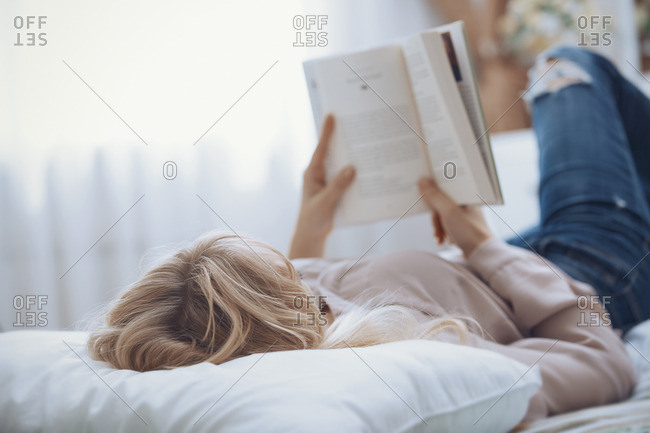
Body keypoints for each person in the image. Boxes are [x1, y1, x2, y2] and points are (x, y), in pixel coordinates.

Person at [88, 47, 649, 422]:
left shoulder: (285, 328)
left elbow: (293, 301)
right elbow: (600, 356)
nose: (294, 273)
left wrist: (313, 223)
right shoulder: (428, 354)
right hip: (591, 270)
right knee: (565, 67)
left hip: (514, 260)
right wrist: (482, 245)